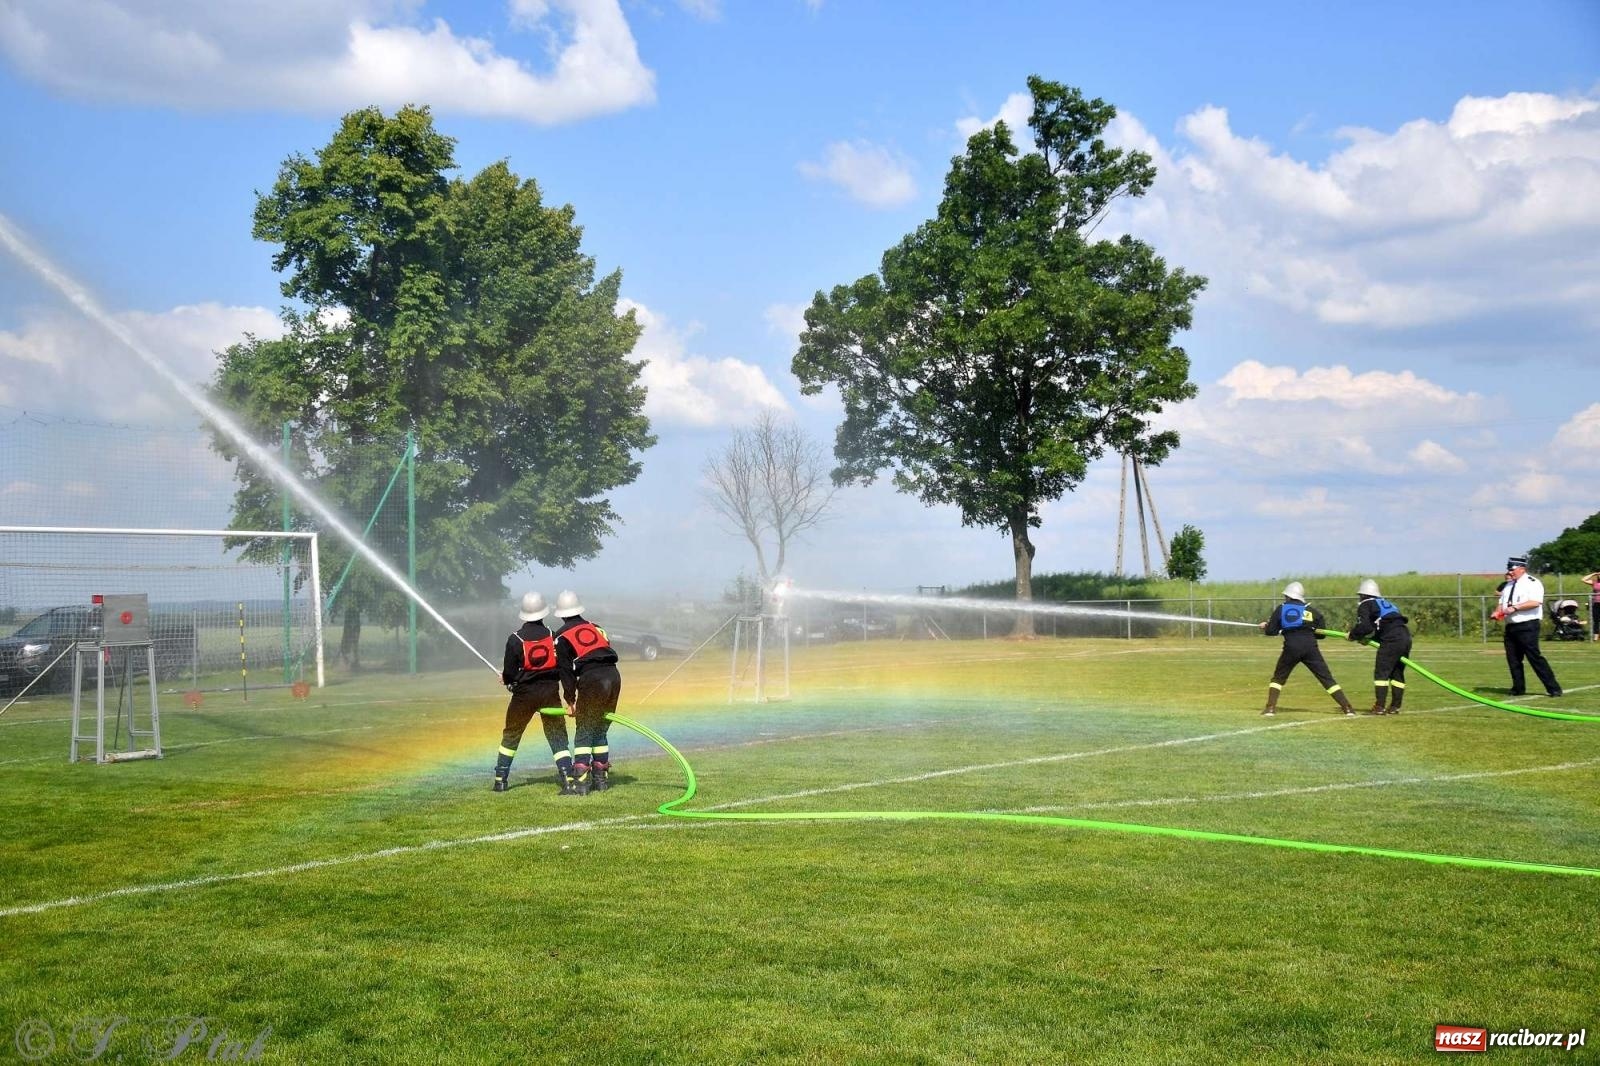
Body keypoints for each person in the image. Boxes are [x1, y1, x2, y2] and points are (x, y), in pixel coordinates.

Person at [493, 592, 581, 795]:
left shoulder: (514, 639)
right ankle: (568, 778)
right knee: (557, 736)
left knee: (512, 735)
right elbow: (561, 666)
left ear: (523, 614)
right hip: (549, 694)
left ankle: (500, 780)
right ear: (543, 612)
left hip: (523, 697)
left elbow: (510, 672)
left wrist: (506, 679)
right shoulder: (553, 636)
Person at [552, 590, 622, 795]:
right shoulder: (597, 628)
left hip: (592, 680)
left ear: (562, 614)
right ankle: (600, 779)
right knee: (599, 728)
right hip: (614, 676)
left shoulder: (562, 636)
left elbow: (565, 671)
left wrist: (570, 700)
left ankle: (580, 782)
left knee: (584, 729)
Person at [1258, 581, 1355, 717]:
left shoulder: (1282, 608)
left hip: (1291, 647)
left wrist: (1265, 627)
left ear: (1288, 596)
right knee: (1326, 678)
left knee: (1278, 678)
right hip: (1310, 647)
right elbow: (1321, 635)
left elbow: (1271, 631)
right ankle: (1347, 708)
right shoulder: (1312, 611)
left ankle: (1270, 708)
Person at [1493, 557, 1562, 698]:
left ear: (1522, 569)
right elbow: (1502, 602)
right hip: (1511, 626)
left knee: (1534, 657)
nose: (1509, 572)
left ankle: (1553, 688)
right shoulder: (1508, 585)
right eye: (1509, 569)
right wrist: (1497, 611)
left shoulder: (1532, 583)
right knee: (1513, 659)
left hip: (1527, 625)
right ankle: (1518, 688)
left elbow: (1535, 602)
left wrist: (1516, 607)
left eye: (1512, 569)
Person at [1345, 579, 1412, 715]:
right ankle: (1395, 706)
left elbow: (1365, 626)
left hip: (1391, 640)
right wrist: (1369, 639)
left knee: (1381, 673)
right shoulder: (1387, 604)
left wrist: (1353, 635)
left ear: (1363, 595)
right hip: (1405, 636)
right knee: (1397, 673)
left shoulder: (1365, 605)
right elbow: (1385, 625)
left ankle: (1379, 706)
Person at [1582, 571, 1600, 642]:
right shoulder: (1594, 583)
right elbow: (1583, 579)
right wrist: (1593, 574)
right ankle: (1595, 637)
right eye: (1598, 574)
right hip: (1596, 604)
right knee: (1596, 621)